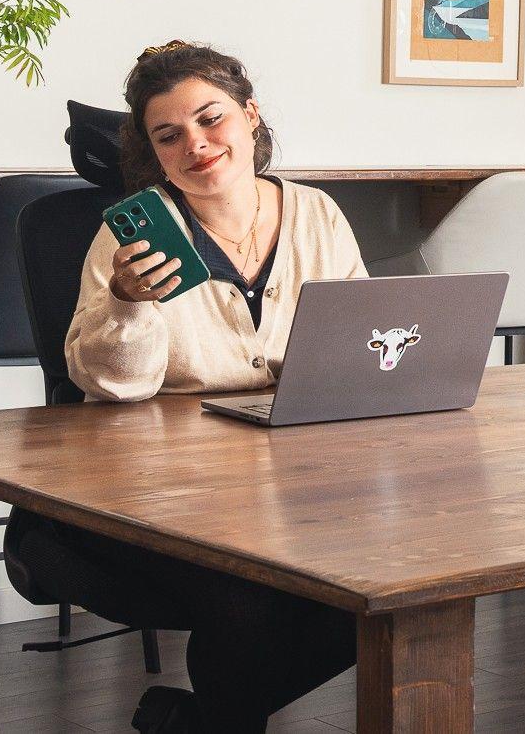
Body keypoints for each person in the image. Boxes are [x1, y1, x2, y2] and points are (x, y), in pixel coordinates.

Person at [41, 41, 366, 734]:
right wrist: (128, 300)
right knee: (247, 597)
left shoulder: (317, 215)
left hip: (291, 475)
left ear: (250, 117)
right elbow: (117, 388)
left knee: (388, 582)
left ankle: (198, 722)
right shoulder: (129, 235)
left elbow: (354, 351)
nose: (196, 142)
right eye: (169, 135)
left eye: (211, 118)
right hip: (159, 482)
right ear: (155, 153)